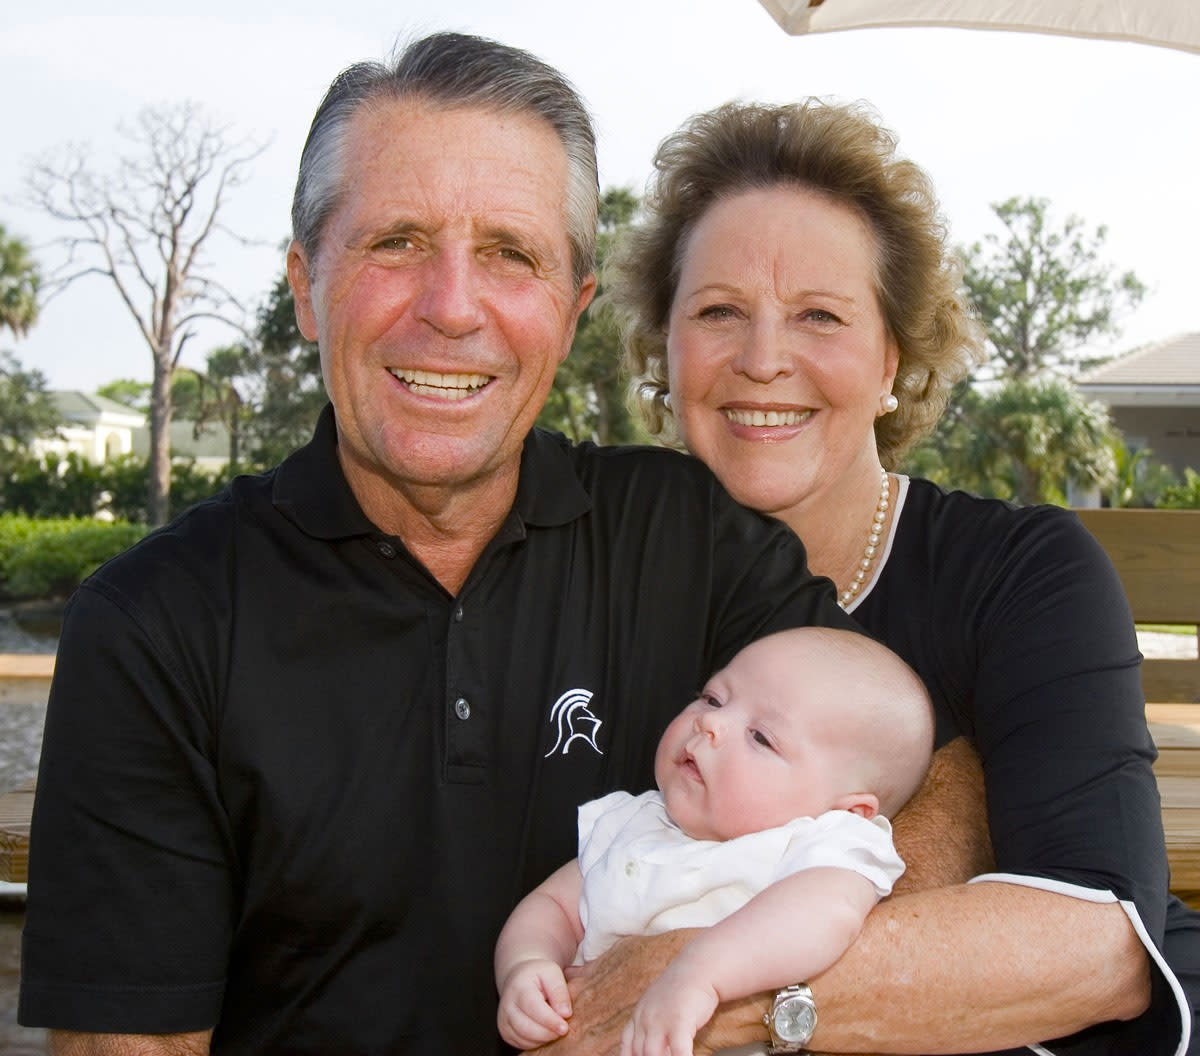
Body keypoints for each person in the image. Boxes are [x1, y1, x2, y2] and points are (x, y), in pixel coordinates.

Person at [17, 35, 857, 1056]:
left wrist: (712, 985)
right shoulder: (158, 624)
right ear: (304, 284)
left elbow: (915, 792)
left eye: (511, 254)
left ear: (572, 305)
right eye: (397, 242)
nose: (453, 307)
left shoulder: (691, 539)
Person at [589, 97, 1200, 1055]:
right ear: (663, 351)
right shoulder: (597, 573)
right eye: (717, 312)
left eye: (819, 316)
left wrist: (704, 983)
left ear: (893, 364)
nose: (762, 360)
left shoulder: (1019, 573)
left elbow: (1100, 942)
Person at [495, 626, 932, 1055]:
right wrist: (526, 965)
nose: (710, 723)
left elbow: (826, 916)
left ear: (847, 812)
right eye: (712, 698)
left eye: (761, 736)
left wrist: (702, 972)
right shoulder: (634, 822)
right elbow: (552, 907)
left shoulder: (821, 846)